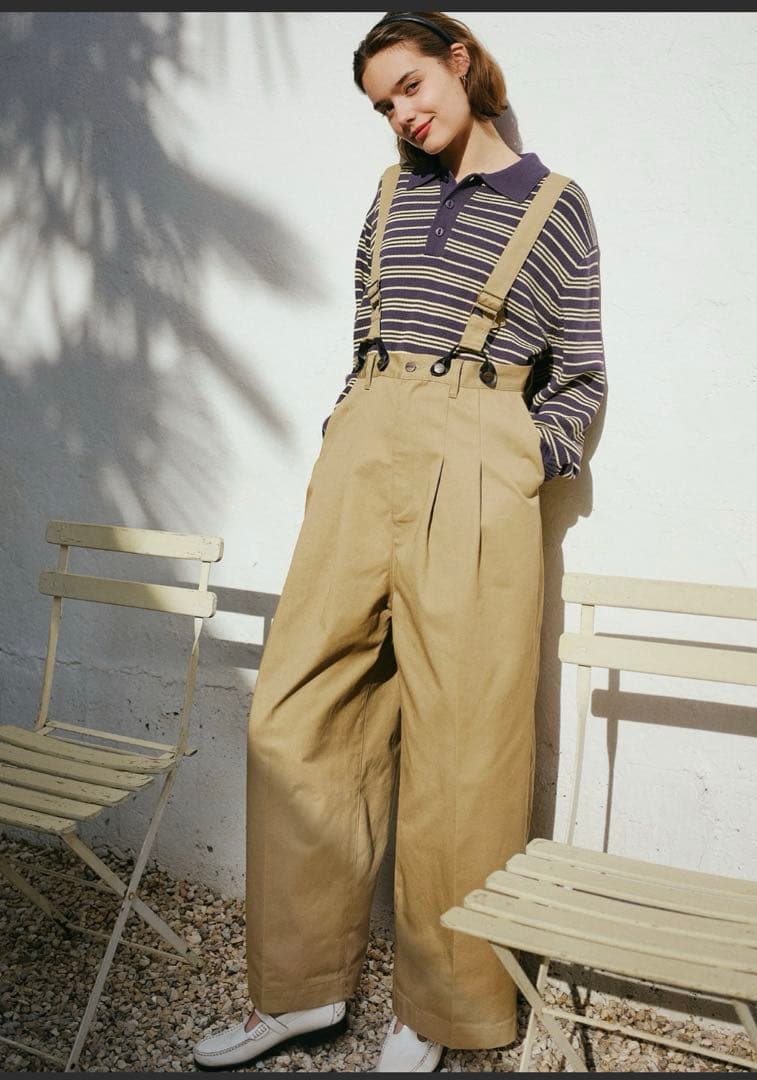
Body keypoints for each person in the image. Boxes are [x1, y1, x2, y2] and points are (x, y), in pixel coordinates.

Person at [193, 10, 605, 1073]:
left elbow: (580, 375)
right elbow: (365, 336)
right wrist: (348, 425)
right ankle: (300, 991)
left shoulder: (556, 206)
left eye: (411, 86)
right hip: (363, 456)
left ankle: (440, 1011)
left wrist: (522, 459)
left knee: (465, 746)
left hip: (479, 467)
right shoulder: (389, 195)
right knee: (295, 717)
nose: (403, 116)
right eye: (384, 105)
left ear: (459, 63)